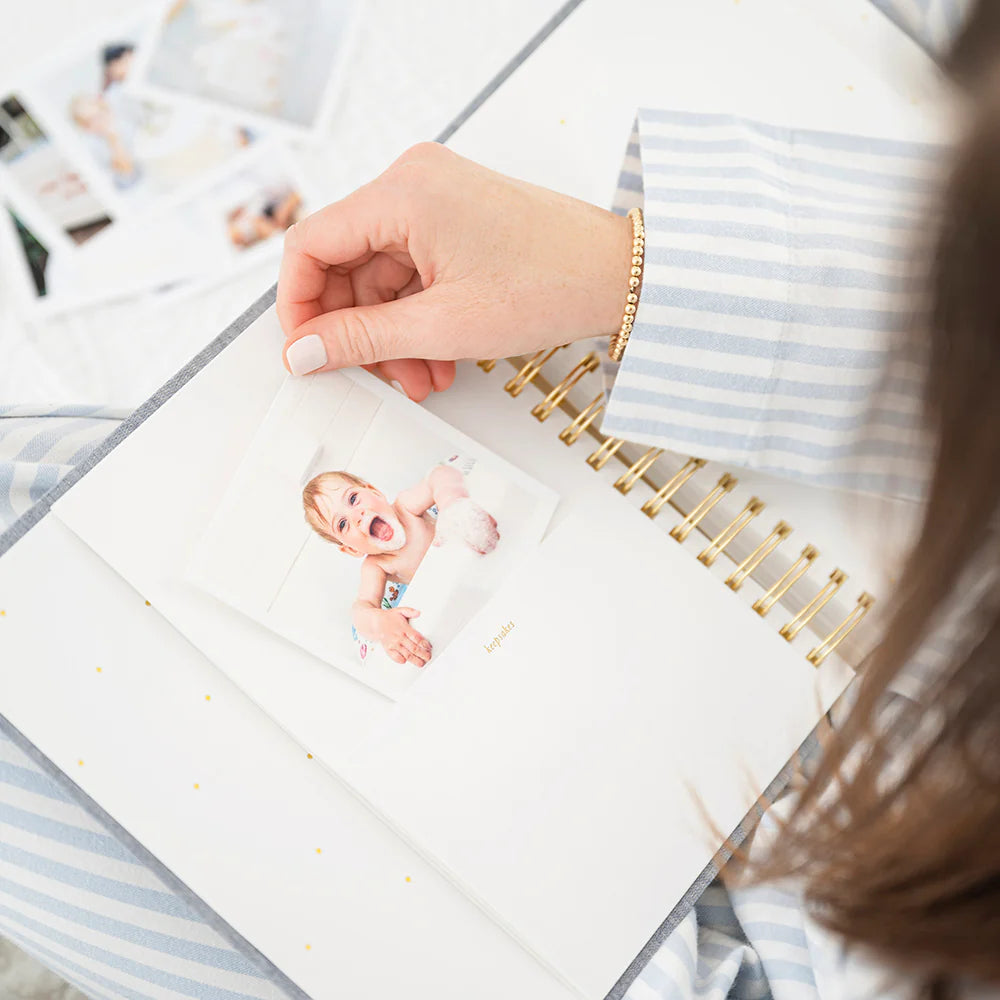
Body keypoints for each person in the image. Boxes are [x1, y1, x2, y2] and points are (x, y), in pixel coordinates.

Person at [275, 7, 998, 1000]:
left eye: (356, 500)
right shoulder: (374, 565)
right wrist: (617, 268)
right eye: (346, 521)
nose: (364, 520)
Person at [302, 466, 500, 666]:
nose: (357, 516)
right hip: (453, 594)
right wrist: (381, 624)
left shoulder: (406, 507)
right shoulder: (376, 566)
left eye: (353, 499)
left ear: (374, 491)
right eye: (343, 524)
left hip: (476, 565)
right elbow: (361, 609)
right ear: (352, 550)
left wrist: (452, 505)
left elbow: (439, 475)